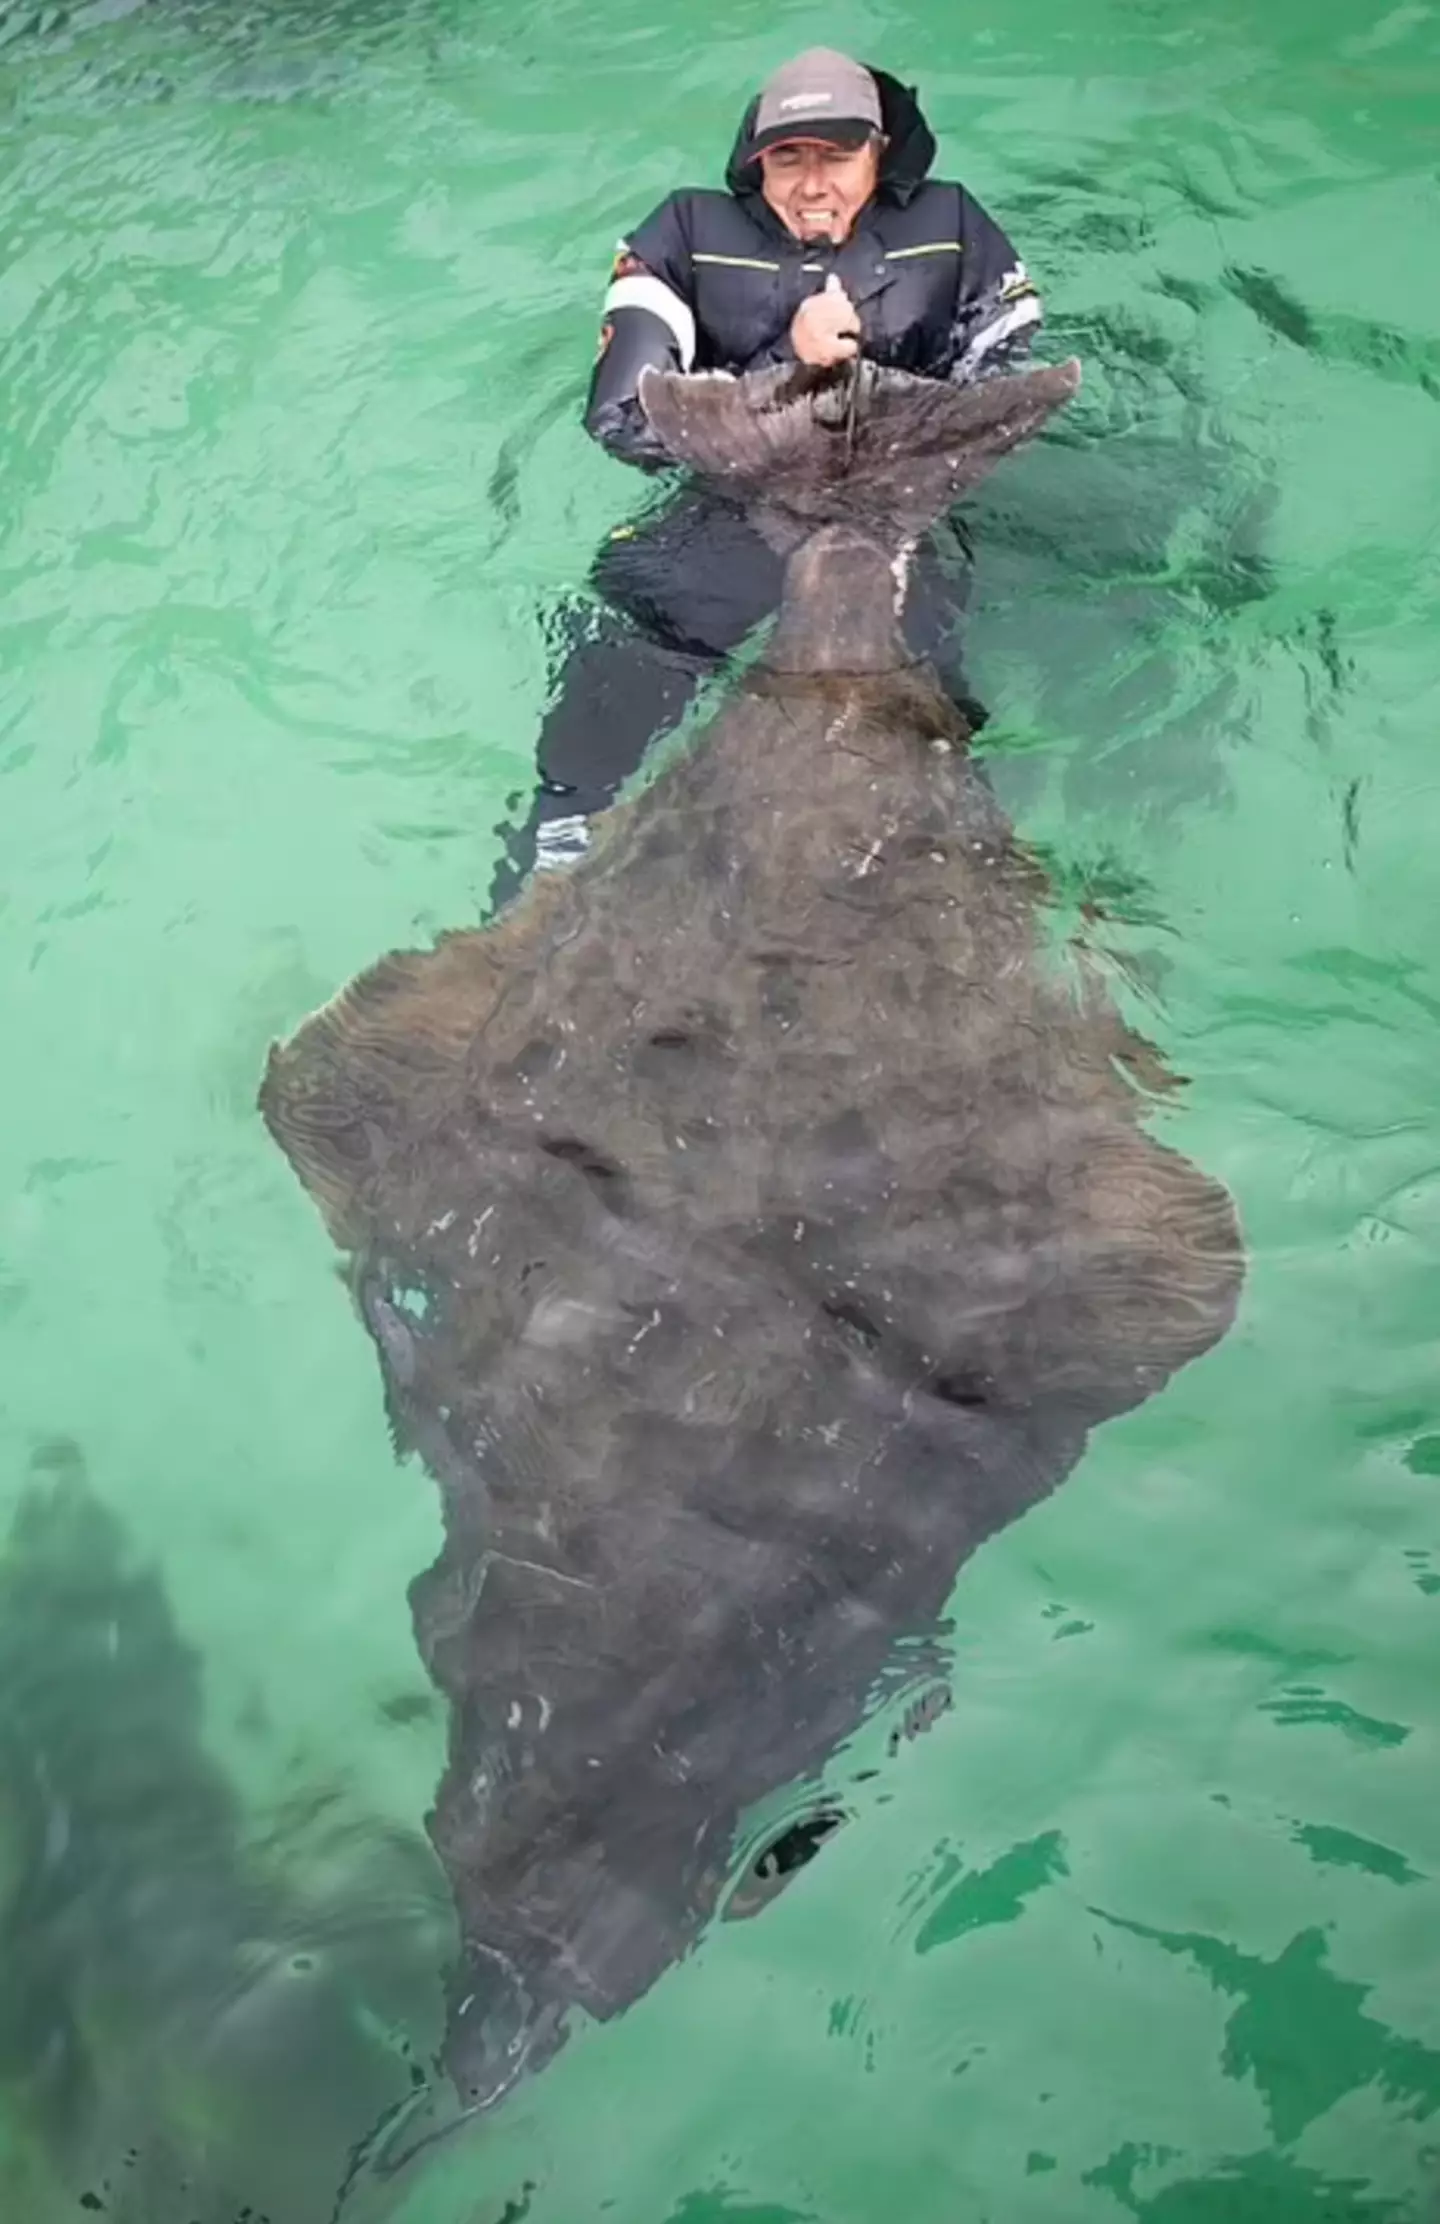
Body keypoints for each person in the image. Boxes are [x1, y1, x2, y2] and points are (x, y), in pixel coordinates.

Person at [489, 47, 1042, 906]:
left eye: (839, 155)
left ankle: (936, 881)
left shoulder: (955, 225)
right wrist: (793, 361)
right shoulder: (678, 235)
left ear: (880, 153)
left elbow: (1005, 356)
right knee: (631, 641)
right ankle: (560, 834)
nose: (813, 183)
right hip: (739, 495)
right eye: (789, 157)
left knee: (931, 710)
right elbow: (620, 419)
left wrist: (921, 447)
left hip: (900, 506)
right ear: (756, 161)